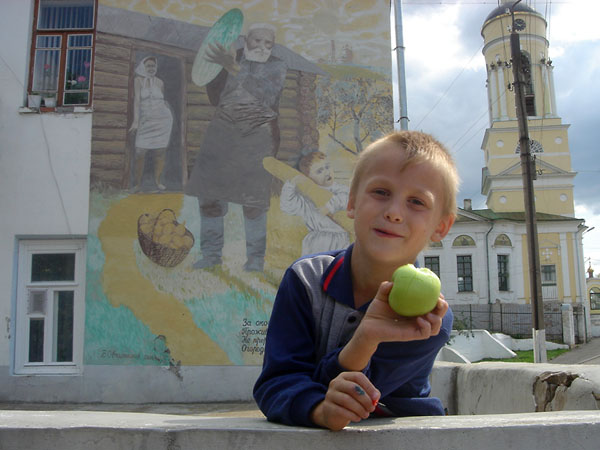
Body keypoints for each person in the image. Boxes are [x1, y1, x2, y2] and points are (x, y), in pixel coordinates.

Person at [253, 131, 459, 431]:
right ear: (351, 202)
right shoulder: (305, 281)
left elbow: (364, 400)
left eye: (416, 201)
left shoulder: (429, 317)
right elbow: (276, 383)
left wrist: (367, 340)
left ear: (441, 226)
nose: (393, 213)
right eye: (380, 192)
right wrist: (320, 410)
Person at [186, 23, 288, 272]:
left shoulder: (278, 66)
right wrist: (221, 66)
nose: (263, 47)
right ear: (245, 40)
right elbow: (214, 95)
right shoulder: (229, 57)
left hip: (256, 139)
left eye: (268, 43)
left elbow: (265, 93)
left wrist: (232, 66)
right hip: (221, 136)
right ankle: (210, 257)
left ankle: (255, 261)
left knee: (253, 202)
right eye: (257, 41)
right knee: (210, 197)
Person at [280, 151, 350, 255]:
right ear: (308, 178)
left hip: (341, 237)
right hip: (318, 240)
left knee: (339, 267)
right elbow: (287, 206)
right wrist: (290, 185)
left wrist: (330, 205)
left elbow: (347, 198)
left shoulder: (339, 189)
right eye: (319, 171)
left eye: (327, 167)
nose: (327, 172)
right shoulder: (307, 197)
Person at [129, 56, 173, 192]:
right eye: (148, 66)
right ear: (143, 66)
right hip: (145, 121)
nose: (151, 68)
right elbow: (137, 101)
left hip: (162, 121)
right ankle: (137, 184)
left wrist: (166, 111)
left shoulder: (160, 82)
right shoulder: (138, 81)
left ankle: (158, 182)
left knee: (160, 152)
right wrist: (136, 121)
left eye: (153, 66)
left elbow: (163, 100)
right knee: (139, 152)